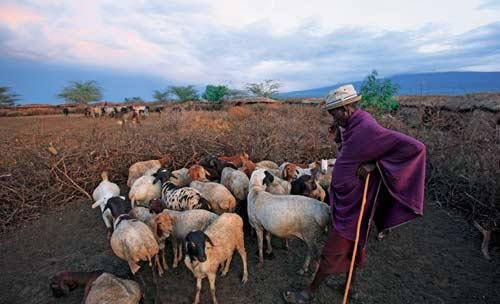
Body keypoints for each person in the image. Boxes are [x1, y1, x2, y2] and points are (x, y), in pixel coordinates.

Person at [283, 84, 426, 303]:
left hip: (355, 205)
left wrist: (376, 165)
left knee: (333, 249)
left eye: (335, 113)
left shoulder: (367, 128)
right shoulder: (352, 125)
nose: (334, 118)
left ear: (347, 108)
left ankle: (308, 293)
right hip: (345, 199)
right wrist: (340, 138)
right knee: (355, 244)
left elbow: (416, 147)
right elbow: (353, 152)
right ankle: (350, 287)